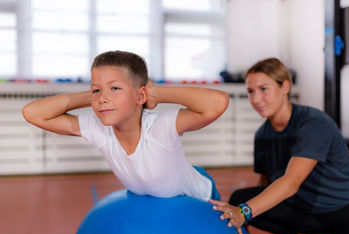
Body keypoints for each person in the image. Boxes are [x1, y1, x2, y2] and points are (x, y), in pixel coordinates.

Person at [210, 58, 349, 234]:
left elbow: (291, 182)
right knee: (242, 197)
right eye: (250, 91)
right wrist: (243, 217)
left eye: (264, 89)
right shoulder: (262, 135)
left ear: (285, 86)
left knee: (246, 206)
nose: (256, 99)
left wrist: (244, 213)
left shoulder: (313, 124)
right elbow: (264, 185)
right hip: (312, 214)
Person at [23, 50, 229, 201]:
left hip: (201, 195)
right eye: (96, 90)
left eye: (114, 88)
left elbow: (217, 103)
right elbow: (32, 113)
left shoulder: (159, 128)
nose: (103, 98)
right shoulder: (99, 129)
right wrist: (98, 94)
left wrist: (155, 93)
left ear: (141, 95)